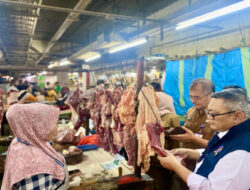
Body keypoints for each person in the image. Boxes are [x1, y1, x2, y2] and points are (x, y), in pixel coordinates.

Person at [158, 88, 250, 190]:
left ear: (237, 116)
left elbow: (210, 188)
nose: (208, 117)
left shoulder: (241, 153)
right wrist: (190, 153)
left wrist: (176, 166)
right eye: (208, 112)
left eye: (213, 114)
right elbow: (220, 153)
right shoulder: (230, 132)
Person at [1, 103, 68, 190]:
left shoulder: (22, 140)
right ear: (38, 126)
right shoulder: (35, 168)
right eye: (53, 123)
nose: (57, 127)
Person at [170, 78, 215, 149]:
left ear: (211, 95)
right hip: (186, 155)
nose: (193, 101)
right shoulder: (190, 111)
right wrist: (177, 131)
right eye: (190, 97)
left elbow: (220, 147)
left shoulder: (218, 114)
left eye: (197, 97)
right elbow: (187, 131)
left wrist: (193, 139)